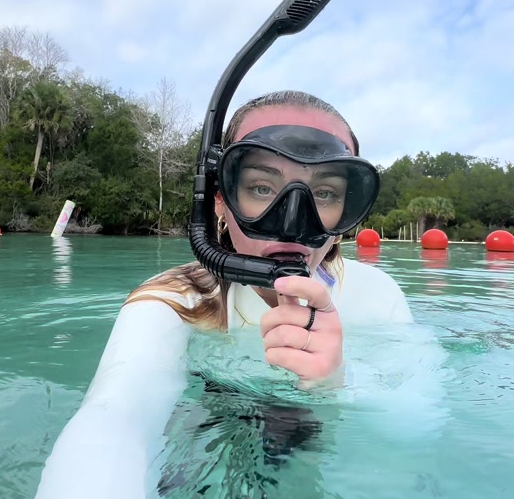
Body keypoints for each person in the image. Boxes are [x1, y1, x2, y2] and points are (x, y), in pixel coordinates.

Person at [125, 89, 412, 392]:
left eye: (325, 193)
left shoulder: (378, 296)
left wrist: (333, 383)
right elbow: (114, 418)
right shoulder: (173, 304)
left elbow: (420, 418)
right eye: (262, 188)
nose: (292, 225)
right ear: (220, 198)